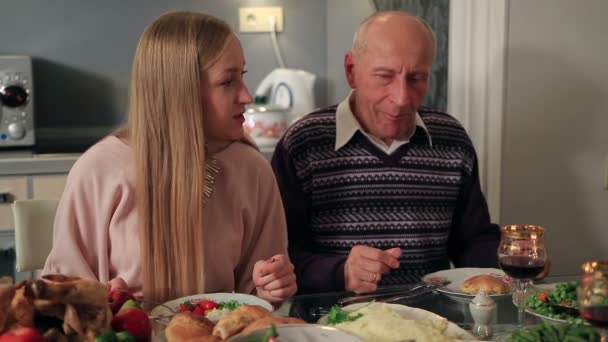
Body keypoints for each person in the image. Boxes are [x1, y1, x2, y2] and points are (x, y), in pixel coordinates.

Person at [43, 11, 297, 303]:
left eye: (243, 76)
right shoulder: (99, 170)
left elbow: (260, 295)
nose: (247, 96)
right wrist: (100, 299)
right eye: (228, 82)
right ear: (181, 90)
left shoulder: (252, 170)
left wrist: (271, 287)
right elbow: (62, 292)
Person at [271, 11, 502, 294]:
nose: (402, 98)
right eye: (384, 76)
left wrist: (509, 263)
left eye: (417, 78)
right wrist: (339, 272)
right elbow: (277, 258)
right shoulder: (303, 143)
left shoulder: (451, 139)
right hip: (331, 327)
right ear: (351, 71)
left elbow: (472, 241)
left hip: (434, 325)